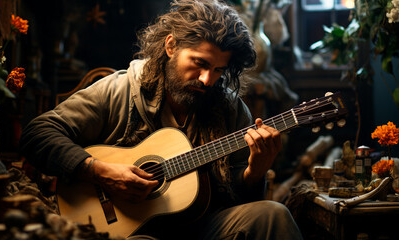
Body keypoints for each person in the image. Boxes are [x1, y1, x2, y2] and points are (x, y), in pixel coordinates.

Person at [20, 0, 303, 239]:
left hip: (202, 229)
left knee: (273, 214)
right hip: (130, 231)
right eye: (200, 63)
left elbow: (240, 203)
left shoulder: (229, 107)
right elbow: (37, 134)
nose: (208, 79)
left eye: (218, 70)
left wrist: (255, 172)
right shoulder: (120, 90)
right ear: (171, 46)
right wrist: (100, 172)